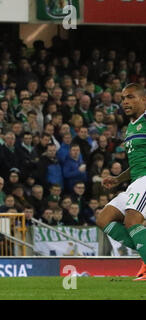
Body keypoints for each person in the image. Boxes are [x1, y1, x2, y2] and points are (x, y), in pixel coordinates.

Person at [95, 83, 146, 281]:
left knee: (131, 221)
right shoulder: (131, 127)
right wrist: (117, 179)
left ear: (143, 99)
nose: (125, 101)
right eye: (123, 97)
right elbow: (135, 164)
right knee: (104, 219)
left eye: (131, 97)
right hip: (136, 181)